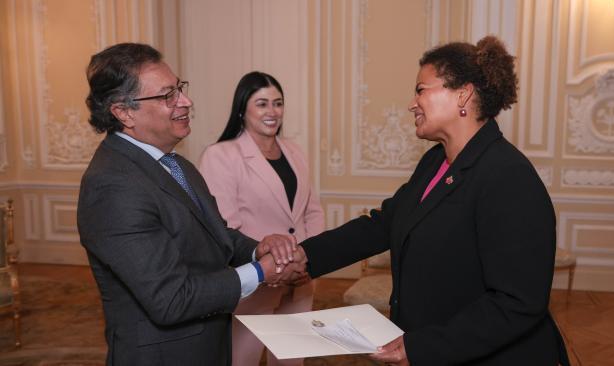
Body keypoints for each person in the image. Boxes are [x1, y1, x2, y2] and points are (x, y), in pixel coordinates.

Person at [292, 36, 570, 365]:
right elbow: (383, 224)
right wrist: (304, 257)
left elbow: (517, 302)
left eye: (421, 89)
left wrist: (422, 347)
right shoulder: (435, 162)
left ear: (463, 93)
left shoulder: (508, 177)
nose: (412, 103)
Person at [77, 43, 299, 366]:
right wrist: (259, 272)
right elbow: (170, 298)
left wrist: (258, 248)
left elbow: (216, 235)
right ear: (123, 112)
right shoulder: (112, 185)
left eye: (179, 88)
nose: (186, 101)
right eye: (167, 96)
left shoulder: (176, 164)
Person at [198, 71, 325, 366]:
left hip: (301, 278)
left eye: (278, 103)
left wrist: (308, 260)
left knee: (293, 360)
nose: (272, 112)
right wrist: (276, 265)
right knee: (244, 360)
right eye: (262, 103)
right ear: (242, 109)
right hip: (255, 282)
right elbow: (225, 227)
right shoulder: (220, 155)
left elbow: (312, 211)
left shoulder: (294, 150)